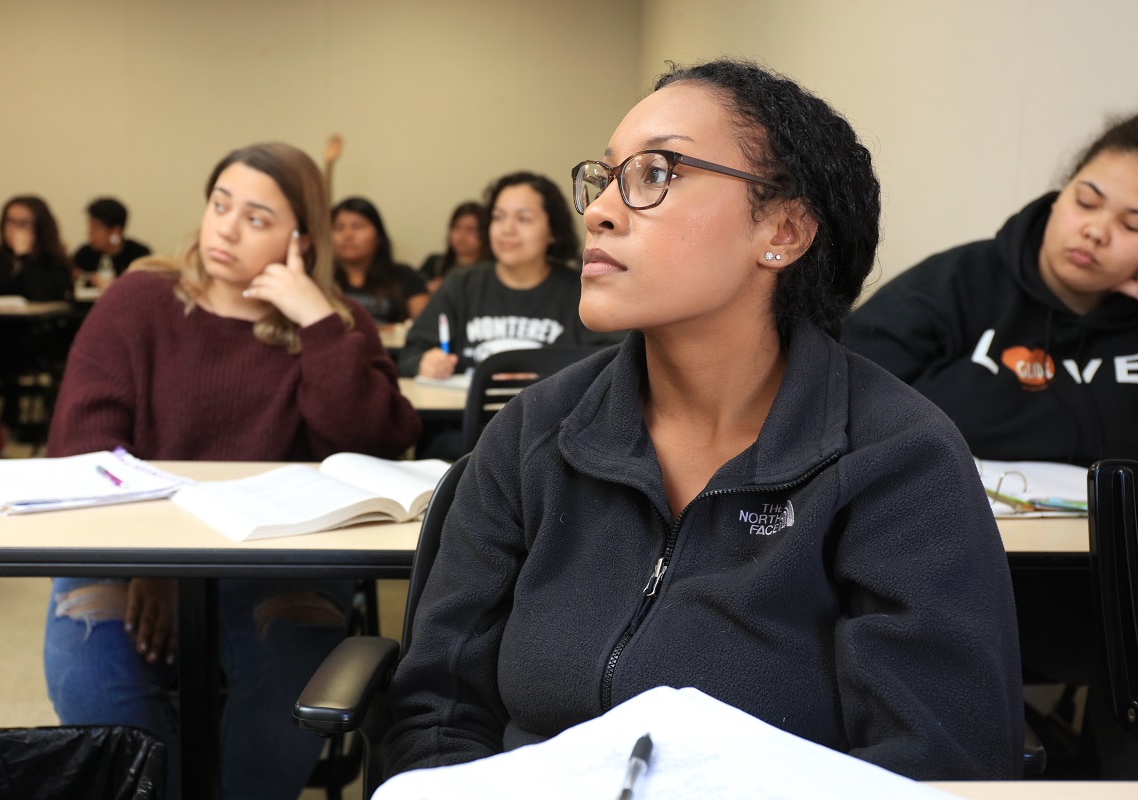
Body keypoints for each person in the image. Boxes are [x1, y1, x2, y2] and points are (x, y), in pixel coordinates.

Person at [381, 59, 1024, 782]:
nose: (597, 211)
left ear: (782, 230)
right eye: (603, 176)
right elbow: (437, 713)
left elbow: (937, 762)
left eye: (656, 173)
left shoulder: (897, 460)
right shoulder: (536, 431)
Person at [42, 142, 422, 800]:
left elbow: (377, 443)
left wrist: (316, 323)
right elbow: (86, 450)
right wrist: (156, 566)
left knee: (288, 671)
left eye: (256, 217)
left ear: (301, 238)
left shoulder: (334, 320)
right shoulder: (140, 301)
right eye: (220, 205)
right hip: (130, 540)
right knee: (88, 662)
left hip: (280, 553)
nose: (224, 227)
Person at [843, 114, 1138, 468]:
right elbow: (837, 393)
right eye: (1086, 203)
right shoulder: (958, 282)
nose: (1096, 231)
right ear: (1060, 197)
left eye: (1130, 225)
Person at [398, 172, 617, 379]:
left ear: (553, 231)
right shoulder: (460, 285)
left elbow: (613, 361)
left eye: (523, 219)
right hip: (468, 416)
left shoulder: (580, 289)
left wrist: (545, 375)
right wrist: (424, 363)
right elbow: (410, 355)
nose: (507, 229)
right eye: (498, 217)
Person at [331, 196, 428, 326]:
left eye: (357, 226)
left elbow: (426, 326)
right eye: (339, 228)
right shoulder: (319, 278)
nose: (348, 235)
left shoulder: (404, 276)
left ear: (378, 235)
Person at [0, 196, 73, 301]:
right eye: (10, 222)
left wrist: (24, 255)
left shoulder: (54, 261)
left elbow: (40, 294)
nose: (15, 229)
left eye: (25, 223)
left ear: (41, 227)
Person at [72, 197, 152, 286]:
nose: (89, 233)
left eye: (95, 228)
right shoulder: (84, 254)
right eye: (89, 227)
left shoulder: (139, 255)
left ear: (116, 231)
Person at [417, 202, 487, 292]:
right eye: (457, 227)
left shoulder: (492, 270)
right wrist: (428, 288)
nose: (462, 235)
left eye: (470, 230)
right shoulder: (435, 263)